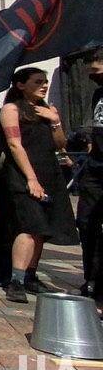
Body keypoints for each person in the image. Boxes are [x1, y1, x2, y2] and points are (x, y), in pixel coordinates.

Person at [0, 67, 78, 303]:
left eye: (45, 81)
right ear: (21, 85)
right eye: (37, 81)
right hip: (23, 175)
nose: (43, 85)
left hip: (49, 173)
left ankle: (31, 276)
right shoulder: (11, 109)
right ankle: (17, 280)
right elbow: (14, 145)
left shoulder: (48, 110)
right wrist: (31, 178)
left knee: (42, 228)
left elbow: (60, 144)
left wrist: (55, 121)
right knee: (29, 226)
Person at [78, 49, 103, 300]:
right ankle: (92, 279)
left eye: (96, 72)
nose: (93, 77)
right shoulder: (98, 93)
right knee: (87, 223)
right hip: (95, 169)